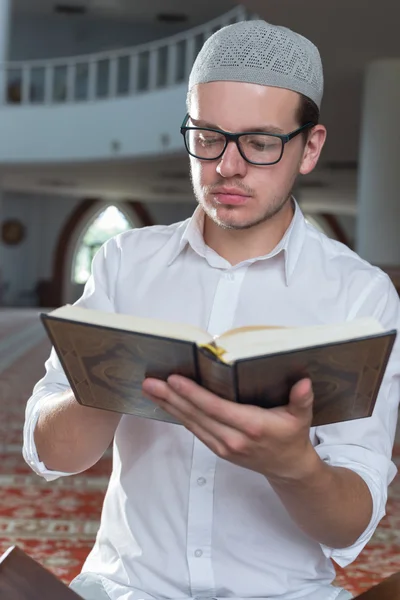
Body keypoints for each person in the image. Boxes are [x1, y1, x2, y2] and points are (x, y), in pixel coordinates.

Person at [23, 18, 400, 600]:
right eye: (207, 136)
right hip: (126, 589)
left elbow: (351, 522)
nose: (227, 165)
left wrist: (292, 463)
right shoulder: (126, 261)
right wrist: (104, 382)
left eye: (259, 142)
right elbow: (54, 453)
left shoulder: (361, 294)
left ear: (310, 148)